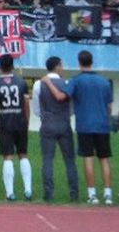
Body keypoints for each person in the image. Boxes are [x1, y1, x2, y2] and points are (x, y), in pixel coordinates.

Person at [42, 50, 113, 204]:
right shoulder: (104, 81)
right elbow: (109, 106)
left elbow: (60, 97)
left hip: (85, 125)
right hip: (102, 125)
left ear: (79, 62)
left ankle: (92, 194)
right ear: (92, 61)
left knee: (88, 159)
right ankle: (108, 194)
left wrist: (48, 82)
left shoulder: (76, 81)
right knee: (104, 159)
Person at [32, 56, 78, 202]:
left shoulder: (39, 84)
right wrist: (65, 116)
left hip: (47, 123)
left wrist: (45, 116)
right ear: (58, 66)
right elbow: (72, 108)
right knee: (69, 160)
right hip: (64, 122)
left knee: (47, 159)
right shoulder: (67, 83)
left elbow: (36, 109)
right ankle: (74, 192)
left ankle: (48, 193)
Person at [0, 54, 32, 201]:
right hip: (20, 121)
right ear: (12, 66)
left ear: (0, 67)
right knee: (23, 154)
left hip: (6, 121)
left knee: (8, 156)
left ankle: (10, 193)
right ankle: (28, 190)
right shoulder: (21, 82)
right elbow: (26, 105)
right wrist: (27, 122)